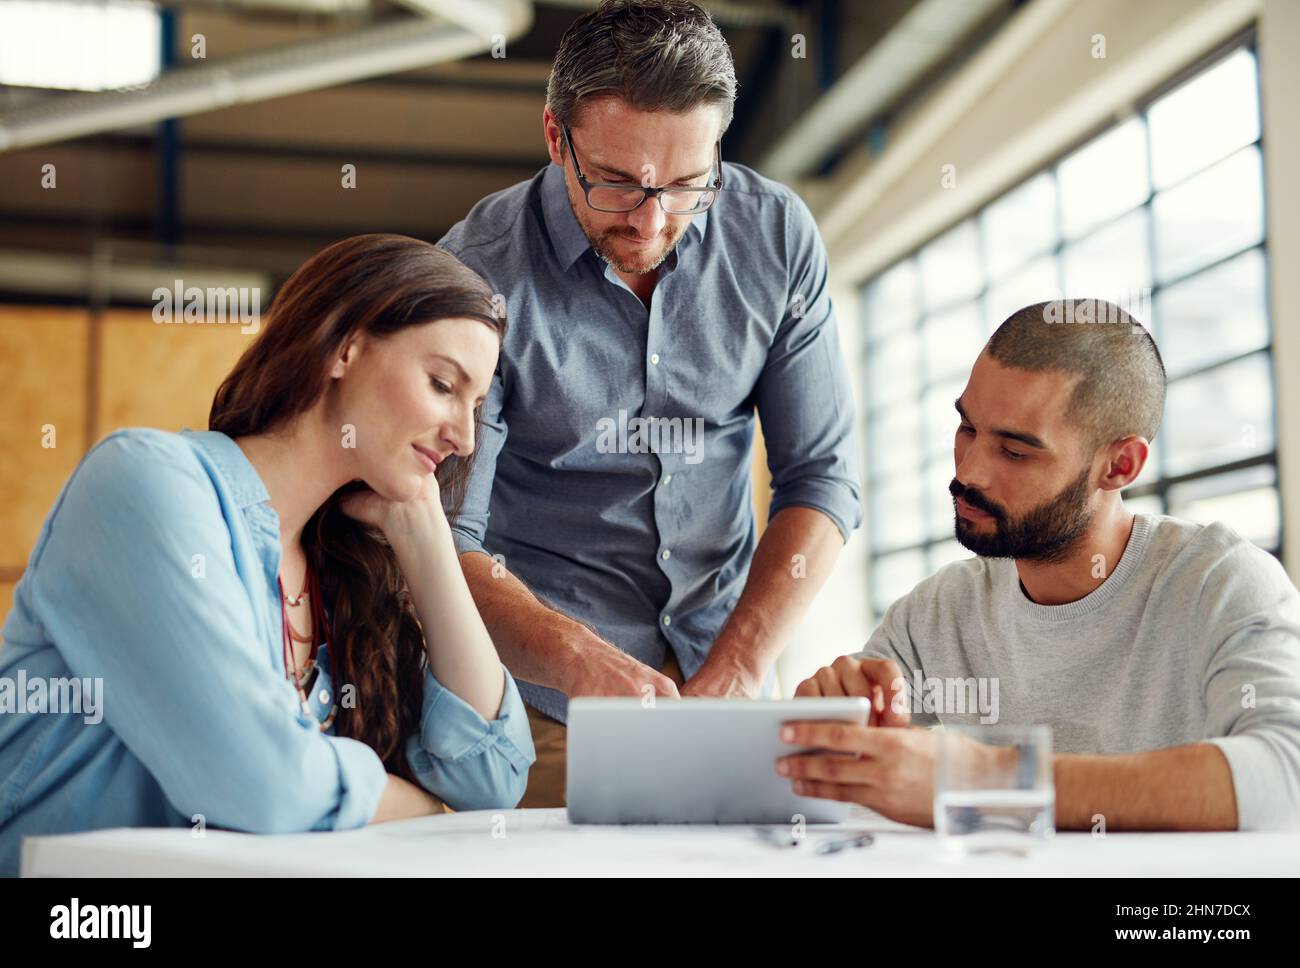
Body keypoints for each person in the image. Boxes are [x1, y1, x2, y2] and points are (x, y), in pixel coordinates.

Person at [436, 0, 862, 808]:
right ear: (557, 138)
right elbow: (444, 538)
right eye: (620, 183)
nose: (653, 220)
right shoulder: (474, 278)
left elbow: (822, 479)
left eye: (687, 186)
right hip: (544, 705)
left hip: (726, 670)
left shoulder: (775, 238)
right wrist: (577, 659)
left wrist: (737, 668)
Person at [0, 234, 535, 875]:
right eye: (443, 384)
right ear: (346, 346)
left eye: (477, 406)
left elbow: (492, 780)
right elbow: (262, 785)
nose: (465, 436)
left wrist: (425, 540)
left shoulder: (340, 566)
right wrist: (417, 808)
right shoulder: (143, 484)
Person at [780, 300, 1300, 832]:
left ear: (1120, 466)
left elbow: (1287, 773)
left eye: (1014, 451)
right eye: (967, 429)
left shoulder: (1221, 583)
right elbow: (830, 767)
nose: (970, 471)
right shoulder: (940, 611)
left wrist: (985, 777)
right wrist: (829, 721)